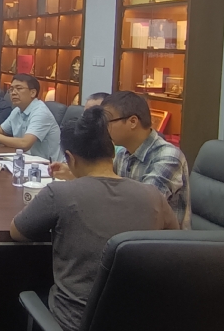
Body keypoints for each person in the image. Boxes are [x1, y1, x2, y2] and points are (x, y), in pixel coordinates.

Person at [1, 108, 178, 331]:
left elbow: (17, 232)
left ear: (70, 158)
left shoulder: (60, 193)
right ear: (112, 153)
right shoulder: (153, 195)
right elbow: (173, 242)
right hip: (141, 327)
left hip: (74, 328)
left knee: (17, 300)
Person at [48, 91, 191, 229]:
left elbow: (145, 206)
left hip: (162, 241)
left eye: (106, 122)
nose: (102, 129)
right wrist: (73, 172)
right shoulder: (123, 153)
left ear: (132, 122)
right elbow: (106, 184)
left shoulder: (168, 157)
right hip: (128, 231)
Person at [0, 74, 61, 161]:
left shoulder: (41, 112)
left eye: (19, 88)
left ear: (33, 93)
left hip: (48, 165)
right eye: (11, 89)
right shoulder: (17, 110)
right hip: (26, 159)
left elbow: (25, 144)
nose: (13, 93)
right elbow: (2, 130)